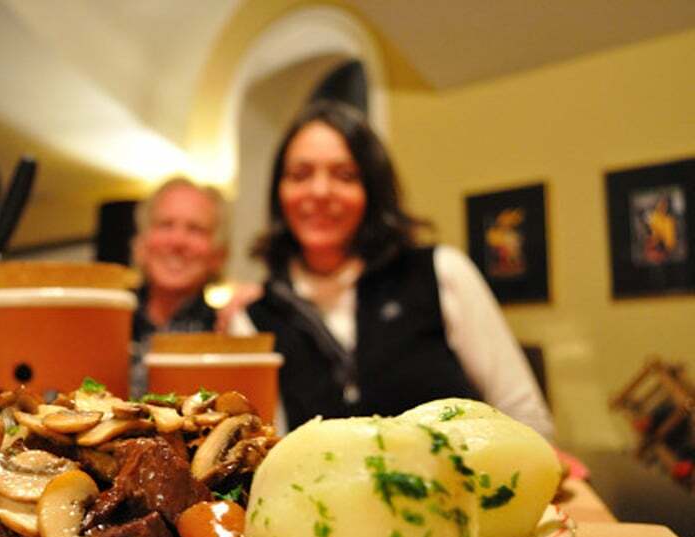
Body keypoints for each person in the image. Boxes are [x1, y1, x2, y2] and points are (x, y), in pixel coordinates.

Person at [231, 100, 555, 440]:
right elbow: (269, 456)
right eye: (300, 175)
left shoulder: (440, 272)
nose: (320, 191)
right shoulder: (254, 318)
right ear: (279, 193)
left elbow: (526, 418)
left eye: (345, 176)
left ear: (372, 189)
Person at [129, 176, 229, 395]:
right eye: (165, 225)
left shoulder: (230, 332)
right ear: (142, 242)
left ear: (219, 254)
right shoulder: (108, 327)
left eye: (196, 229)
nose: (177, 241)